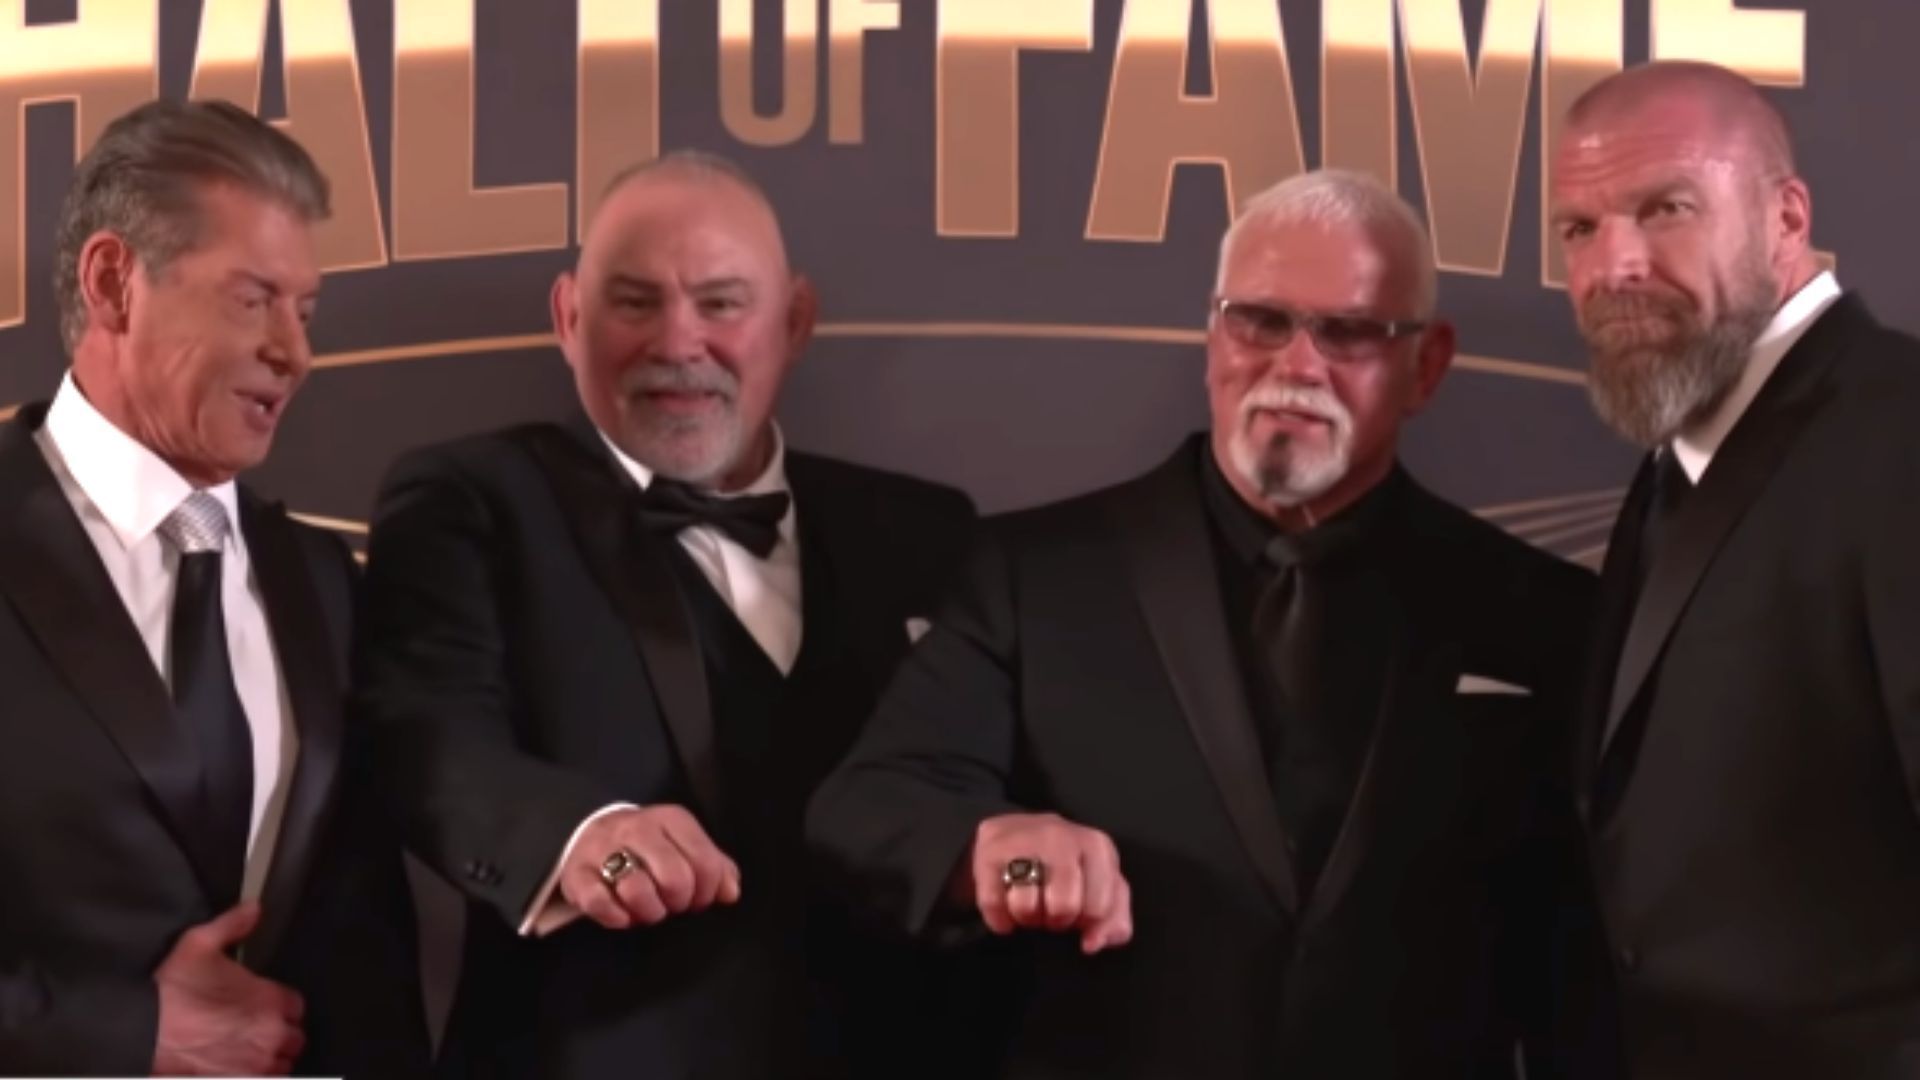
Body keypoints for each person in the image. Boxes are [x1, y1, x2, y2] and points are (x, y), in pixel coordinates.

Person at [807, 169, 1605, 1078]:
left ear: (1425, 366)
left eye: (1348, 332)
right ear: (1212, 336)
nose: (1296, 365)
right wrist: (986, 846)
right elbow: (869, 807)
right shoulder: (1033, 575)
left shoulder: (1542, 612)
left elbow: (1582, 951)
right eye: (1260, 320)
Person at [353, 151, 980, 1078]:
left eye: (721, 303)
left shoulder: (928, 530)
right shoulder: (471, 499)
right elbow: (423, 736)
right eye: (635, 303)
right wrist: (574, 836)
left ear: (795, 321)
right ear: (569, 318)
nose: (678, 343)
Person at [0, 99, 427, 1076]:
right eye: (252, 299)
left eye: (305, 311)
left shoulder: (322, 583)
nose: (296, 352)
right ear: (114, 283)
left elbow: (365, 945)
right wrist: (123, 1034)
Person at [1551, 59, 1920, 1076]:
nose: (1614, 265)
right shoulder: (1683, 448)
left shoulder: (1899, 433)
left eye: (1663, 208)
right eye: (1578, 229)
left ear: (1786, 219)